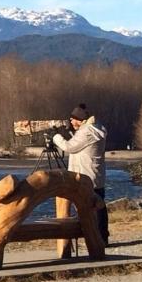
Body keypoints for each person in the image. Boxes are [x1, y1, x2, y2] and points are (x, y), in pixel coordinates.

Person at [52, 103, 109, 245]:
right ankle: (100, 237)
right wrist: (70, 134)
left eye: (73, 119)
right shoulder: (94, 129)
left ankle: (98, 239)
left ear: (80, 119)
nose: (71, 122)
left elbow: (70, 147)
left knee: (94, 208)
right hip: (93, 175)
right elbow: (81, 146)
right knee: (98, 206)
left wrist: (56, 137)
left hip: (86, 176)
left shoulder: (88, 131)